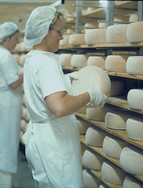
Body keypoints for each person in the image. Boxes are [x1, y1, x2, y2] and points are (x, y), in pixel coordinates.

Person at [22, 5, 107, 188]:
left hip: (43, 140)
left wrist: (63, 81)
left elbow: (42, 89)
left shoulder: (33, 58)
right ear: (45, 32)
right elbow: (59, 107)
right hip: (54, 145)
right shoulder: (46, 63)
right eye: (59, 31)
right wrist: (89, 95)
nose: (62, 37)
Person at [0, 22, 23, 186]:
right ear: (6, 38)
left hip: (5, 103)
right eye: (15, 38)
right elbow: (13, 83)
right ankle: (5, 182)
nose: (17, 42)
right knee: (7, 144)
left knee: (4, 141)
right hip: (7, 104)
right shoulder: (5, 55)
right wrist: (26, 70)